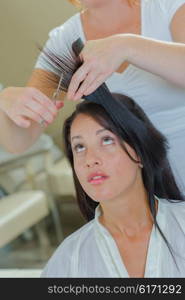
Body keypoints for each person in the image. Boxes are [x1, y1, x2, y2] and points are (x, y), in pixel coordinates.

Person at [0, 0, 185, 189]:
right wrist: (4, 101)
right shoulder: (65, 40)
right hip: (145, 193)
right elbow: (19, 141)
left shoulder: (168, 7)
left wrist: (126, 46)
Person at [41, 93, 185, 277]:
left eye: (106, 140)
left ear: (140, 152)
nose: (90, 160)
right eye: (79, 147)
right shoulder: (69, 259)